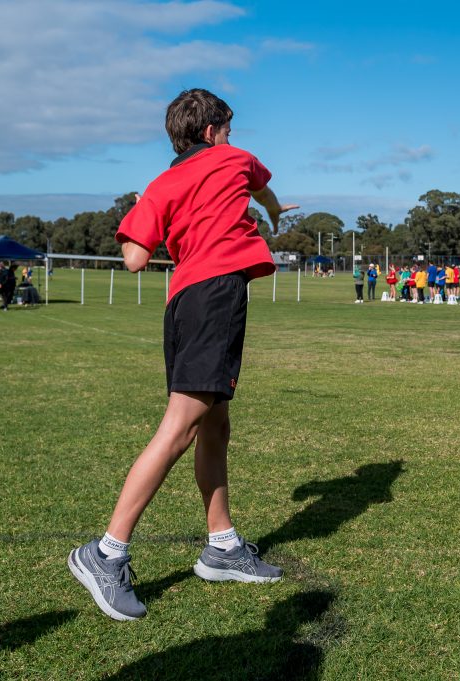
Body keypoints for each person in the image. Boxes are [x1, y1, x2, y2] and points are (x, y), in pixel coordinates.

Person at [67, 88, 298, 622]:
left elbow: (133, 259)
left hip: (182, 301)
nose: (233, 138)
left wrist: (158, 212)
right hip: (215, 297)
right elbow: (265, 192)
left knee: (215, 424)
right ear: (214, 131)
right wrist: (273, 213)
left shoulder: (163, 182)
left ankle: (222, 545)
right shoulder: (238, 160)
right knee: (180, 427)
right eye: (229, 129)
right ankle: (105, 554)